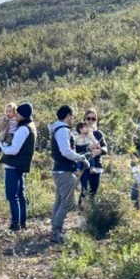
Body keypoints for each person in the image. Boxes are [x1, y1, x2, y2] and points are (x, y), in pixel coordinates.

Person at [48, 104, 90, 244]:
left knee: (60, 201)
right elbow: (65, 151)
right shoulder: (62, 131)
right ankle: (56, 231)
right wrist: (81, 158)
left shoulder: (58, 129)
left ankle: (55, 229)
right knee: (68, 202)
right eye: (72, 116)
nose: (73, 119)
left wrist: (80, 156)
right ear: (67, 116)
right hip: (64, 172)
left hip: (61, 171)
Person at [0, 102, 34, 232]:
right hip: (20, 164)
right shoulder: (29, 126)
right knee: (20, 194)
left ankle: (15, 224)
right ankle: (22, 223)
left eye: (17, 113)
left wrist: (2, 146)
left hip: (13, 164)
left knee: (12, 195)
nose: (15, 115)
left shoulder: (23, 129)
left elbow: (14, 149)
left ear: (22, 114)